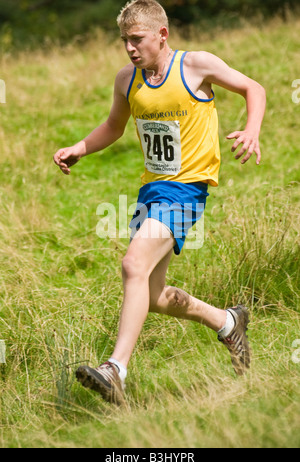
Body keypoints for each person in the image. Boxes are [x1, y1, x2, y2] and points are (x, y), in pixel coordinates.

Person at [53, 0, 266, 404]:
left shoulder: (196, 66)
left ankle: (115, 369)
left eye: (137, 40)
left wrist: (251, 129)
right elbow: (114, 126)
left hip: (186, 188)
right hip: (152, 190)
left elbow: (253, 88)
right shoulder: (126, 79)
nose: (130, 49)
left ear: (161, 35)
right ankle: (227, 321)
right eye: (124, 41)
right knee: (150, 294)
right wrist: (81, 147)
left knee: (132, 263)